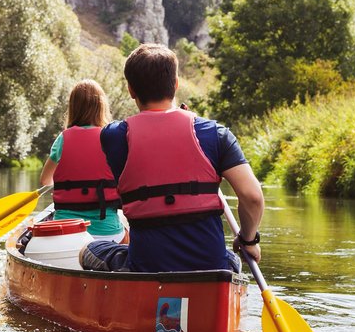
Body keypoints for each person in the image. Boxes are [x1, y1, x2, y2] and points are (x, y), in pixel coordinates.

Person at [79, 43, 263, 272]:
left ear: (131, 90)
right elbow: (252, 197)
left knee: (88, 250)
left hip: (146, 266)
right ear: (175, 85)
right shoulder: (216, 134)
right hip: (209, 267)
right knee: (231, 259)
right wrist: (248, 240)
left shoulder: (113, 136)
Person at [40, 79, 126, 242]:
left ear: (73, 108)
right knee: (128, 234)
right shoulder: (111, 138)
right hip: (107, 232)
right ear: (102, 107)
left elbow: (45, 180)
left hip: (65, 231)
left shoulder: (63, 139)